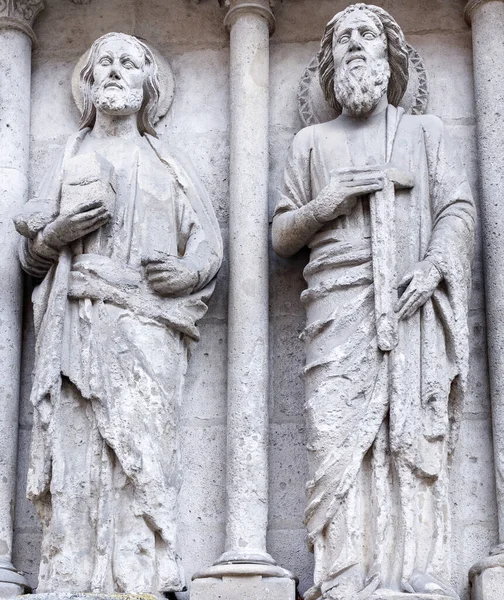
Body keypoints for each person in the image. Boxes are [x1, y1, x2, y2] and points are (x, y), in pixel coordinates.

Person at [272, 5, 476, 600]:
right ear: (330, 62)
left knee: (410, 430)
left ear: (391, 56)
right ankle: (342, 572)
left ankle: (416, 567)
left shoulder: (423, 133)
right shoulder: (311, 143)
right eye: (344, 40)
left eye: (367, 36)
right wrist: (326, 204)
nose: (356, 46)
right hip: (336, 309)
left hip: (412, 303)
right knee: (337, 437)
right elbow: (281, 232)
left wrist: (433, 266)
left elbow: (457, 211)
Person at [15, 32, 222, 597]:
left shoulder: (167, 164)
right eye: (102, 62)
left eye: (127, 63)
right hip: (76, 325)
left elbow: (208, 248)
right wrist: (54, 235)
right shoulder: (70, 158)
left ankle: (139, 575)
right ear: (86, 83)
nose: (113, 71)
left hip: (146, 329)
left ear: (147, 84)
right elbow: (32, 259)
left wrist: (184, 275)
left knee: (142, 456)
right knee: (75, 452)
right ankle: (71, 575)